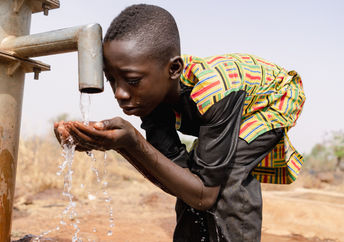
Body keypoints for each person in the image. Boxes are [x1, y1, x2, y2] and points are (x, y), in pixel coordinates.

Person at [54, 4, 306, 242]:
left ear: (174, 69)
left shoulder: (214, 94)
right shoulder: (150, 102)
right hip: (218, 106)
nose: (119, 93)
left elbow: (204, 196)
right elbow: (174, 178)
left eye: (131, 80)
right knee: (189, 177)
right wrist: (118, 145)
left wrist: (130, 143)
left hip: (270, 98)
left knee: (228, 178)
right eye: (111, 80)